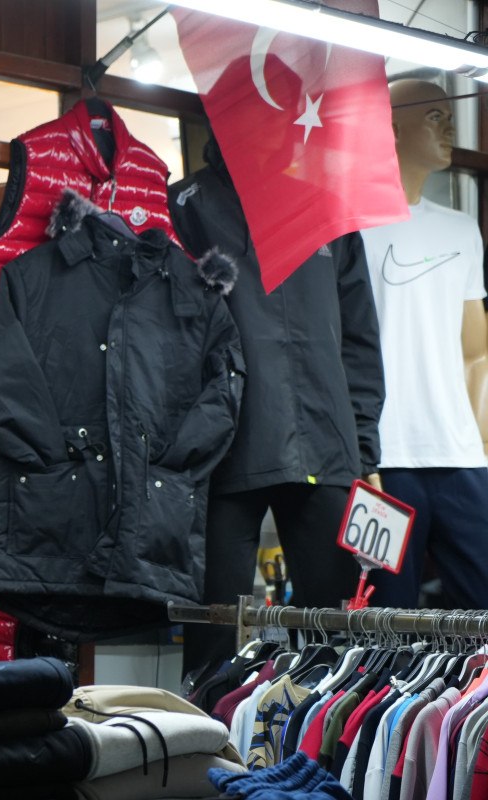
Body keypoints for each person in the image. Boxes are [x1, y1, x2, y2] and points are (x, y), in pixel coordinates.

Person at [170, 133, 382, 681]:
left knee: (337, 642)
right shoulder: (186, 205)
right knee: (214, 638)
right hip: (223, 446)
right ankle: (209, 730)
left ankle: (326, 735)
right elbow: (166, 330)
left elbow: (359, 336)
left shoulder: (328, 208)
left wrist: (363, 448)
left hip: (325, 443)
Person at [361, 79, 488, 609]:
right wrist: (357, 454)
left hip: (462, 461)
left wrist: (481, 445)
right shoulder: (351, 228)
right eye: (435, 116)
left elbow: (476, 351)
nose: (450, 126)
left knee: (481, 613)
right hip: (383, 462)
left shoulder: (462, 230)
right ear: (391, 127)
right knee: (386, 621)